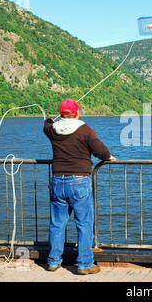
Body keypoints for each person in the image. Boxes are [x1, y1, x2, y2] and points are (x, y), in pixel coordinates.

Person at [43, 98, 116, 275]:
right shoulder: (84, 130)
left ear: (60, 114)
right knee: (83, 223)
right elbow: (101, 151)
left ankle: (53, 261)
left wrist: (56, 117)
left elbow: (46, 123)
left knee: (57, 223)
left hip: (58, 180)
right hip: (79, 181)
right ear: (77, 113)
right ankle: (84, 264)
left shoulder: (52, 130)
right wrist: (108, 157)